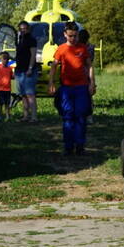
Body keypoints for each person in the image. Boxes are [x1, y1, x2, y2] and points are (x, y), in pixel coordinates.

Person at [49, 21, 95, 155]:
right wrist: (51, 83)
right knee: (68, 117)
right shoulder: (61, 49)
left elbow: (89, 66)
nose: (73, 39)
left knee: (81, 117)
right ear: (65, 34)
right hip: (66, 88)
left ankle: (80, 146)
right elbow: (54, 66)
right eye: (70, 36)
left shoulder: (82, 48)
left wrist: (92, 83)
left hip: (81, 87)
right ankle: (68, 146)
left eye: (75, 36)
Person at [14, 21, 38, 123]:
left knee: (30, 94)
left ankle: (34, 117)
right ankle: (25, 116)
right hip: (19, 70)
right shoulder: (19, 39)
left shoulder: (32, 40)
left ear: (28, 29)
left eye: (24, 28)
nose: (23, 30)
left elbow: (33, 55)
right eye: (21, 29)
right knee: (23, 94)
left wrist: (30, 68)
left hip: (29, 71)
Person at [0, 52, 14, 121]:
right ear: (1, 60)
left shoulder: (10, 69)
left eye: (7, 59)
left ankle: (7, 116)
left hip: (8, 90)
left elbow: (12, 77)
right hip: (0, 89)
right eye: (4, 59)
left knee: (7, 104)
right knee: (0, 103)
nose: (5, 60)